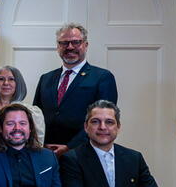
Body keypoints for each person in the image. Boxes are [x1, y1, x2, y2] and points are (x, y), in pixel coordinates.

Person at [33, 22, 118, 155]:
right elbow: (35, 116)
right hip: (46, 153)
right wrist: (39, 145)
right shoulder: (46, 79)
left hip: (83, 153)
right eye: (64, 43)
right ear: (57, 47)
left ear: (86, 45)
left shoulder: (102, 77)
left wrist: (70, 146)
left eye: (76, 42)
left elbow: (103, 120)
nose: (70, 47)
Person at [0, 66, 45, 147]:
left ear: (18, 83)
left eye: (11, 79)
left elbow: (37, 146)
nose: (6, 83)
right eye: (1, 79)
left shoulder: (34, 113)